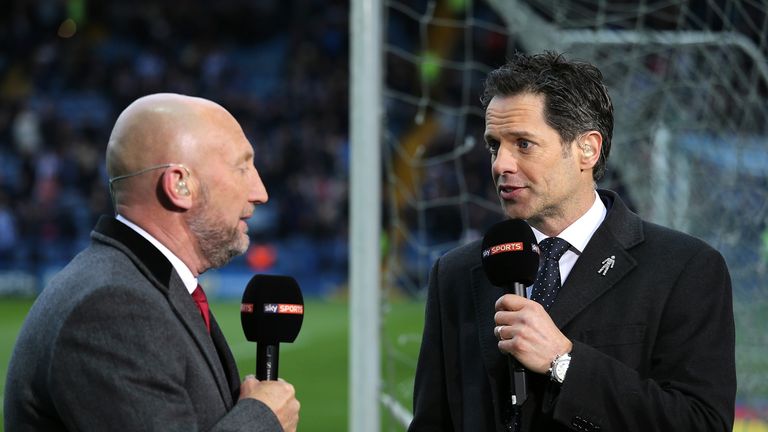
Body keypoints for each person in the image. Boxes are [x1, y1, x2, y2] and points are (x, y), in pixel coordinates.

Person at [409, 52, 735, 431]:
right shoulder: (457, 273)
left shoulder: (685, 268)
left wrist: (564, 362)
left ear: (587, 149)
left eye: (524, 144)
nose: (501, 164)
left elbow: (702, 423)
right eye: (495, 145)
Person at [4, 93, 300, 431]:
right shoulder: (112, 307)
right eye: (242, 168)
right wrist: (263, 419)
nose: (260, 191)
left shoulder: (141, 286)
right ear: (180, 185)